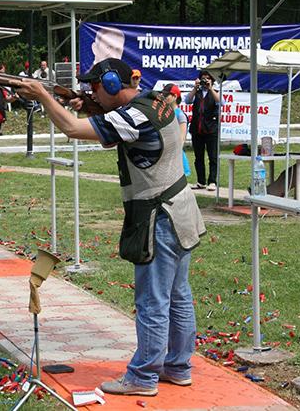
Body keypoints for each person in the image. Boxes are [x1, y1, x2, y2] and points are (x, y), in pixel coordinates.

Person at [12, 58, 205, 397]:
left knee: (153, 302)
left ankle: (143, 377)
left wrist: (43, 96)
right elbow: (111, 135)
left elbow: (73, 130)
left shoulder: (132, 115)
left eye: (96, 88)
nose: (91, 93)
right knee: (178, 296)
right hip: (181, 210)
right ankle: (178, 367)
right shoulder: (156, 100)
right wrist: (90, 106)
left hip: (160, 215)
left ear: (114, 85)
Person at [184, 70, 220, 191]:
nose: (205, 81)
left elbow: (220, 102)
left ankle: (212, 181)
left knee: (213, 157)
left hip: (211, 130)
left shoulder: (215, 92)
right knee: (198, 157)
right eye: (203, 78)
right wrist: (195, 88)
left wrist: (210, 88)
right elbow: (187, 100)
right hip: (197, 129)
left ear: (212, 81)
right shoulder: (197, 92)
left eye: (207, 78)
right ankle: (201, 181)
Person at [164, 84, 191, 177]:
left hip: (176, 154)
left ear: (175, 96)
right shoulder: (165, 113)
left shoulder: (180, 115)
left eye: (166, 95)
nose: (164, 98)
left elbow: (182, 137)